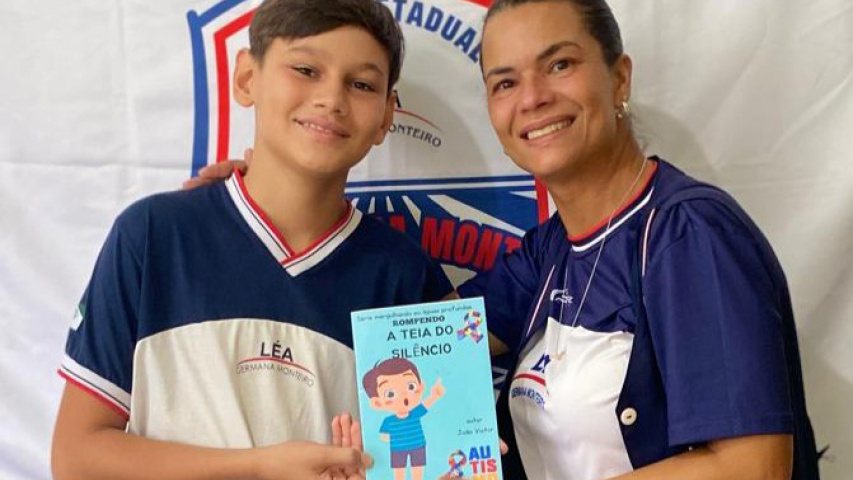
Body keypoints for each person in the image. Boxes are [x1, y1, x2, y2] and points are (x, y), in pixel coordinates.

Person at [195, 1, 820, 479]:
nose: (534, 98)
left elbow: (752, 467)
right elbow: (424, 338)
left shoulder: (689, 234)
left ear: (620, 78)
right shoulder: (552, 250)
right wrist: (265, 206)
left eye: (560, 64)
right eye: (505, 82)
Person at [51, 1, 452, 479]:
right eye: (306, 70)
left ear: (386, 116)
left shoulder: (405, 275)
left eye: (361, 84)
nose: (331, 98)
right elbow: (76, 458)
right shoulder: (153, 236)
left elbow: (438, 459)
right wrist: (258, 469)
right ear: (246, 77)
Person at [362, 358, 446, 480]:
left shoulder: (414, 413)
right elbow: (384, 435)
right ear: (377, 403)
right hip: (398, 448)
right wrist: (388, 437)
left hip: (417, 446)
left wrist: (435, 395)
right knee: (399, 470)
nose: (404, 395)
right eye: (390, 394)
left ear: (421, 387)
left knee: (417, 468)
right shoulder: (389, 421)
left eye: (411, 386)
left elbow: (426, 404)